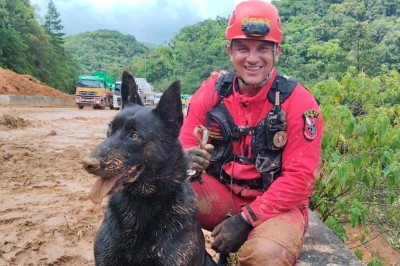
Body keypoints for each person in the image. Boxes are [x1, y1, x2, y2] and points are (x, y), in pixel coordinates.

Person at [180, 0, 323, 265]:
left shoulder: (299, 103)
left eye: (263, 49)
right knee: (156, 189)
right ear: (230, 52)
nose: (253, 58)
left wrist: (245, 221)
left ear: (277, 52)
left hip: (276, 207)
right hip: (222, 194)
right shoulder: (211, 92)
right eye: (243, 48)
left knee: (265, 257)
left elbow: (300, 179)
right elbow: (185, 139)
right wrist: (188, 157)